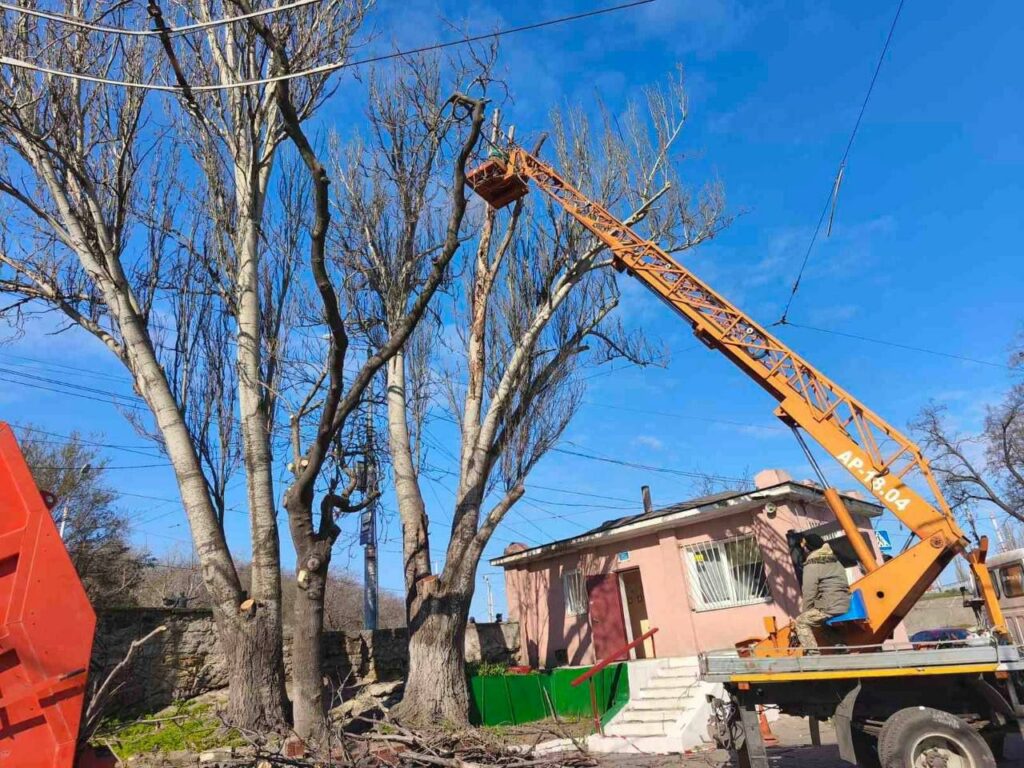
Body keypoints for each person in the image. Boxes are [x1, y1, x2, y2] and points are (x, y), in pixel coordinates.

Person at [794, 534, 850, 651]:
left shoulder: (812, 564)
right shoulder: (835, 561)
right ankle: (840, 646)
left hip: (829, 606)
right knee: (819, 623)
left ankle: (813, 657)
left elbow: (809, 592)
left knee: (801, 621)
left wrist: (805, 611)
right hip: (845, 603)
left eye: (804, 546)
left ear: (808, 547)